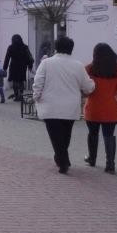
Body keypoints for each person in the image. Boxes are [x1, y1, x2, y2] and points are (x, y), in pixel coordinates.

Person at [33, 36, 94, 174]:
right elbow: (88, 86)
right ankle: (62, 157)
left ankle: (62, 161)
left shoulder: (46, 63)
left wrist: (36, 96)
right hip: (70, 107)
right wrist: (94, 85)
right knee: (66, 135)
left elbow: (38, 82)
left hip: (50, 106)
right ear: (71, 49)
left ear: (56, 48)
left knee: (55, 135)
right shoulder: (78, 65)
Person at [83, 43, 117, 174]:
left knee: (93, 133)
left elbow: (85, 88)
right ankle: (110, 165)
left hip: (93, 109)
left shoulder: (89, 69)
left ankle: (92, 159)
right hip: (110, 109)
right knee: (109, 135)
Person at [3, 34, 34, 102]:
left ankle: (17, 95)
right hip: (22, 67)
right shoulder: (25, 47)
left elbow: (7, 58)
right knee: (21, 81)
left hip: (14, 66)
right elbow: (29, 57)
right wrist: (30, 66)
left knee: (15, 81)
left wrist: (4, 68)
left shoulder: (11, 47)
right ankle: (21, 95)